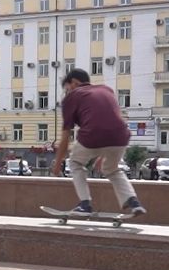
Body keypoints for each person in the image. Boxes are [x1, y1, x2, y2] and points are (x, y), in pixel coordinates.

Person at [50, 69, 145, 215]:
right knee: (112, 169)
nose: (66, 93)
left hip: (93, 135)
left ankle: (85, 204)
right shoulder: (106, 90)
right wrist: (102, 155)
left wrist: (57, 164)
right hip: (121, 136)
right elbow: (109, 120)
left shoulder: (72, 97)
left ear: (74, 82)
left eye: (67, 88)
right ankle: (133, 202)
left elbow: (65, 136)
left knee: (75, 163)